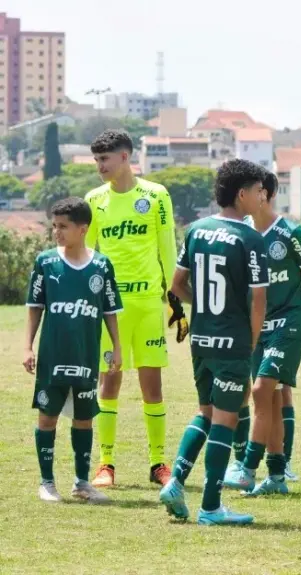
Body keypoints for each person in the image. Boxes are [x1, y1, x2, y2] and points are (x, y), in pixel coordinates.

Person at [159, 159, 269, 526]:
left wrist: (202, 305)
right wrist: (251, 344)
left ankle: (175, 481)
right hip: (232, 341)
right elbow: (258, 302)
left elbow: (175, 285)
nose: (262, 196)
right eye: (257, 190)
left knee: (204, 411)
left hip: (201, 338)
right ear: (242, 194)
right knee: (225, 418)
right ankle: (210, 506)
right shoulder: (251, 239)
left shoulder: (196, 230)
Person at [85, 129, 181, 488]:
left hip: (146, 306)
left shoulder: (156, 195)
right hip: (110, 310)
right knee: (109, 382)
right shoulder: (95, 200)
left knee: (151, 386)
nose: (99, 166)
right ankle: (105, 463)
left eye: (104, 159)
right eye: (96, 159)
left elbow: (167, 247)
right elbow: (90, 254)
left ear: (124, 157)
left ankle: (158, 463)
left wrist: (174, 300)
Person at [223, 172, 301, 495]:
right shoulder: (243, 234)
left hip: (289, 322)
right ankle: (277, 475)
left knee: (261, 389)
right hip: (256, 327)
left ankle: (247, 468)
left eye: (248, 191)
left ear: (263, 194)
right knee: (274, 397)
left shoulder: (290, 231)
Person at [25, 197, 123, 504]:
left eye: (63, 226)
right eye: (54, 226)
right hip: (53, 356)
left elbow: (110, 311)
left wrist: (117, 348)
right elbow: (35, 308)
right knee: (47, 417)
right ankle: (47, 482)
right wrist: (27, 347)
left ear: (83, 229)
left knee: (84, 418)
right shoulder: (46, 262)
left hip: (85, 356)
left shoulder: (101, 265)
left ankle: (82, 483)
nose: (57, 232)